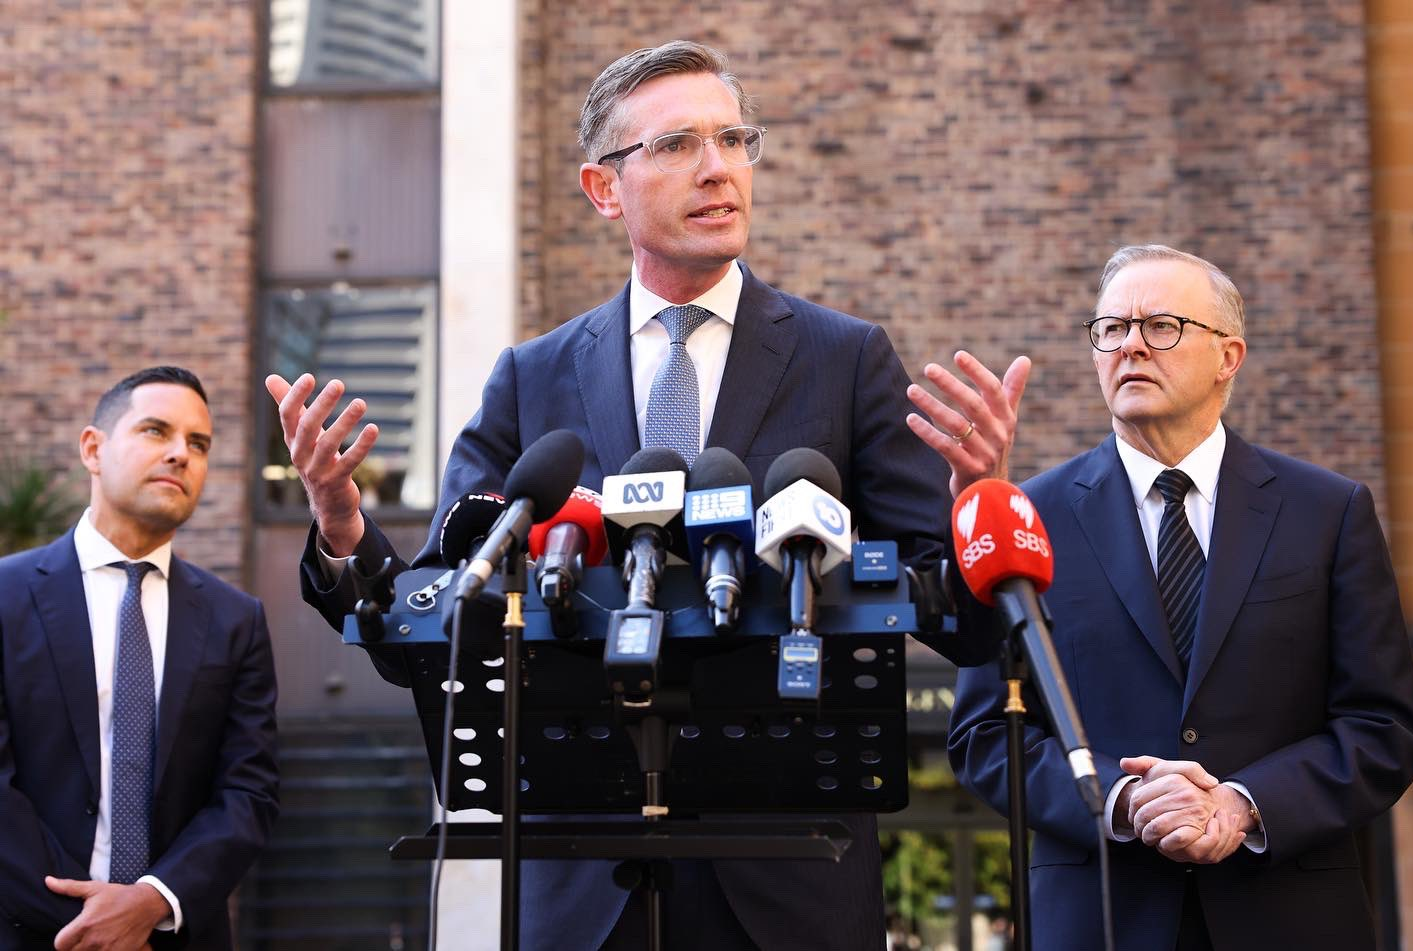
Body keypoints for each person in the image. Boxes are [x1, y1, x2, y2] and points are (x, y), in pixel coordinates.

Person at [266, 40, 1025, 951]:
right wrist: (344, 527)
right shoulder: (530, 378)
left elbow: (965, 628)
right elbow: (437, 617)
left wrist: (976, 505)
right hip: (586, 890)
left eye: (734, 139)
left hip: (790, 884)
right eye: (676, 146)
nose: (718, 170)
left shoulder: (844, 358)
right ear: (603, 189)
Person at [920, 245, 1413, 950]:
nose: (1130, 344)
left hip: (1289, 915)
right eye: (1111, 328)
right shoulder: (1024, 517)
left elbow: (1384, 726)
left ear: (1229, 356)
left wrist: (1244, 804)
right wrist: (1122, 800)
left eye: (1160, 325)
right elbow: (983, 737)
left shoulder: (1328, 511)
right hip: (1101, 916)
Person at [0, 366, 280, 950]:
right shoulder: (6, 595)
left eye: (198, 443)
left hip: (175, 935)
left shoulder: (236, 620)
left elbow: (247, 793)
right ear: (93, 449)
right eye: (156, 431)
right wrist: (92, 922)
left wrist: (151, 903)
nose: (181, 453)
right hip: (28, 931)